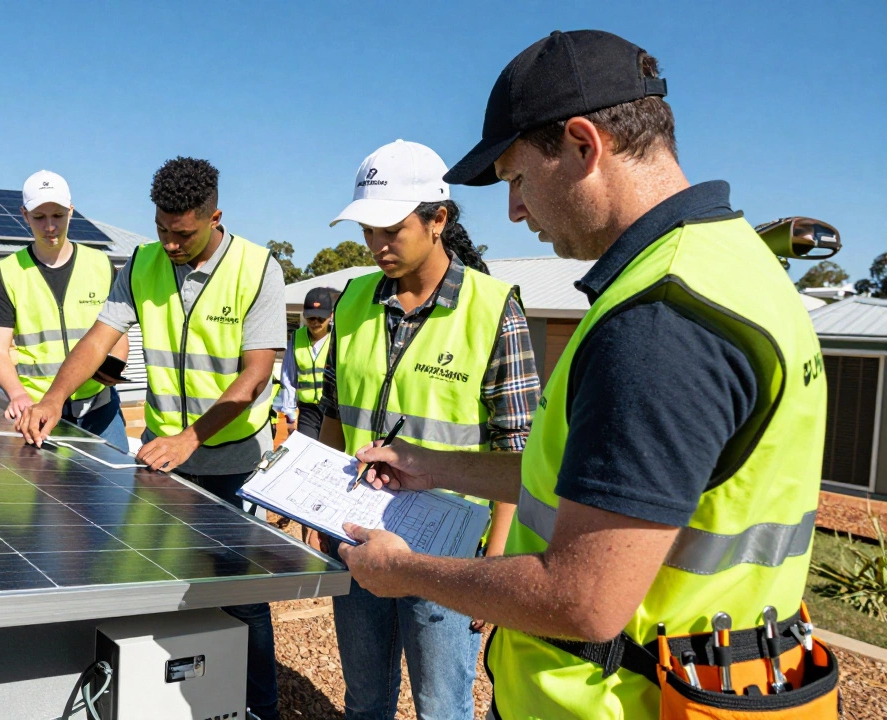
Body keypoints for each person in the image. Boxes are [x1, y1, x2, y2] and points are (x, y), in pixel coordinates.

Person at [340, 31, 827, 719]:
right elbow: (604, 485)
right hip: (717, 679)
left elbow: (583, 598)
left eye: (515, 179)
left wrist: (402, 571)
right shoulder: (736, 266)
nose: (513, 210)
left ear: (581, 144)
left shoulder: (659, 320)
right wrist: (439, 467)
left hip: (612, 699)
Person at [16, 157, 287, 720]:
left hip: (234, 460)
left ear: (215, 217)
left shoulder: (258, 268)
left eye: (182, 233)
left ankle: (259, 709)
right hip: (166, 461)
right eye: (161, 229)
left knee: (241, 597)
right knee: (162, 583)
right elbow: (98, 339)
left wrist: (192, 436)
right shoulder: (142, 263)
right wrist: (53, 398)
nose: (169, 243)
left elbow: (256, 372)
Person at [319, 140, 535, 720]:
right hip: (358, 534)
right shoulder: (352, 301)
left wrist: (495, 559)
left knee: (441, 705)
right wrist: (312, 499)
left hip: (449, 550)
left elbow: (519, 450)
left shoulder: (492, 309)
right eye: (368, 230)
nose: (376, 245)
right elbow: (335, 415)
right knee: (364, 700)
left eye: (391, 229)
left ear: (438, 219)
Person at [0, 170, 129, 449]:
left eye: (58, 215)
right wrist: (16, 394)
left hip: (100, 412)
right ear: (25, 215)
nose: (50, 226)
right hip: (38, 413)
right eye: (39, 217)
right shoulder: (9, 273)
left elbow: (118, 336)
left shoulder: (100, 265)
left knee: (116, 489)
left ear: (71, 212)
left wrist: (112, 368)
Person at [274, 287, 336, 439]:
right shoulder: (296, 338)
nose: (315, 323)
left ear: (331, 316)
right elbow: (288, 378)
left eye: (321, 318)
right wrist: (290, 416)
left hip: (333, 411)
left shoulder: (338, 338)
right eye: (311, 318)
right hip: (308, 411)